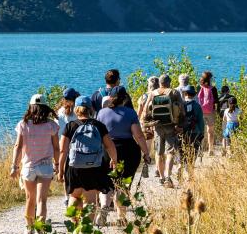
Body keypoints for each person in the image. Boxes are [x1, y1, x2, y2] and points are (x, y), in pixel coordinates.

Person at [96, 87, 149, 225]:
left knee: (106, 184)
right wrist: (146, 153)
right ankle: (121, 217)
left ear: (110, 97)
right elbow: (138, 135)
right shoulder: (130, 113)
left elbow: (98, 135)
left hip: (107, 150)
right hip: (128, 151)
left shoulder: (102, 113)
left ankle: (104, 208)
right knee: (123, 185)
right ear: (124, 97)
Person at [58, 96, 117, 218]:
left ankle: (74, 231)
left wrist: (60, 170)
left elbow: (63, 151)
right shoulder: (99, 125)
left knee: (74, 197)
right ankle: (88, 233)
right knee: (90, 201)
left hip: (74, 168)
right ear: (90, 109)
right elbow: (110, 146)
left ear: (76, 109)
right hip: (94, 166)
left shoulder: (70, 126)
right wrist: (114, 160)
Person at [10, 94, 59, 232]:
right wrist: (57, 165)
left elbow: (18, 147)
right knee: (41, 200)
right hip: (45, 167)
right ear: (45, 108)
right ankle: (40, 228)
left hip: (28, 167)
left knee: (29, 199)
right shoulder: (51, 125)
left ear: (31, 107)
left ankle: (29, 228)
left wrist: (14, 166)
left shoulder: (23, 124)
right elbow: (56, 148)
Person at [141, 74, 185, 188]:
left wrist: (148, 123)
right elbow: (182, 109)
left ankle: (161, 177)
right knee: (170, 152)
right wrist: (180, 125)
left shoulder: (153, 93)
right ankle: (167, 177)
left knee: (159, 153)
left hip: (157, 127)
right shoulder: (174, 92)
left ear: (159, 83)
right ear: (169, 82)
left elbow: (145, 110)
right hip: (171, 126)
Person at [179, 86, 206, 178]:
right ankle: (190, 173)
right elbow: (201, 121)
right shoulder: (197, 106)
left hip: (182, 132)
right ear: (194, 95)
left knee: (182, 152)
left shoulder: (180, 105)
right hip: (195, 132)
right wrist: (202, 133)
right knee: (193, 152)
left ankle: (181, 168)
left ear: (184, 94)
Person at [198, 71, 218, 153]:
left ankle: (201, 148)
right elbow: (216, 100)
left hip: (200, 111)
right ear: (210, 79)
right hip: (210, 111)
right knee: (210, 131)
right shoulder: (213, 89)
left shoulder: (199, 87)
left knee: (200, 130)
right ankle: (211, 149)